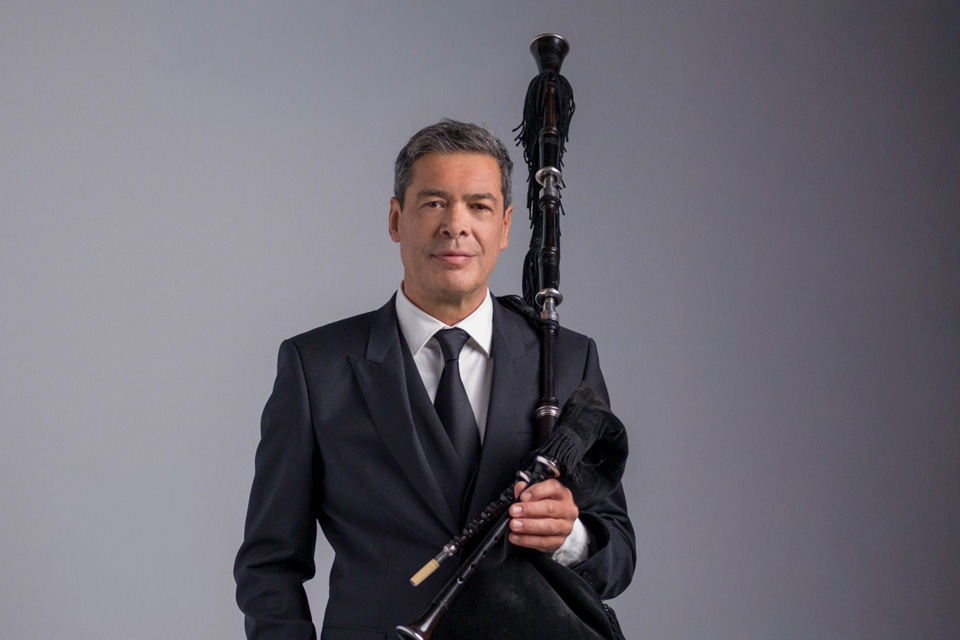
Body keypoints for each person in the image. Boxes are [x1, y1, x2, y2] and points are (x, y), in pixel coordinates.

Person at [234, 120, 635, 640]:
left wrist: (568, 537)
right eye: (433, 203)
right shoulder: (317, 368)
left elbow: (618, 556)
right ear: (395, 218)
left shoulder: (567, 359)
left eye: (479, 206)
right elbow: (269, 564)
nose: (455, 226)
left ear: (506, 227)